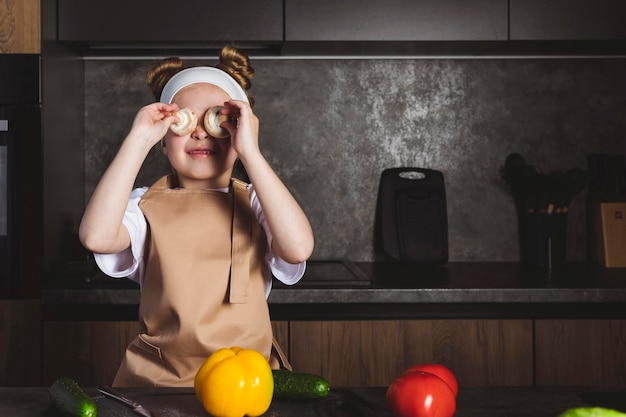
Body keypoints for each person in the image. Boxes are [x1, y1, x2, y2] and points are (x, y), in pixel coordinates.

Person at [79, 45, 314, 387]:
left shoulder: (257, 201)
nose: (201, 131)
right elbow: (95, 237)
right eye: (184, 121)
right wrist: (138, 138)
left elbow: (298, 248)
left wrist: (252, 152)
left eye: (217, 120)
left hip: (246, 382)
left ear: (238, 132)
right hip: (159, 383)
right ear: (163, 141)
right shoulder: (143, 207)